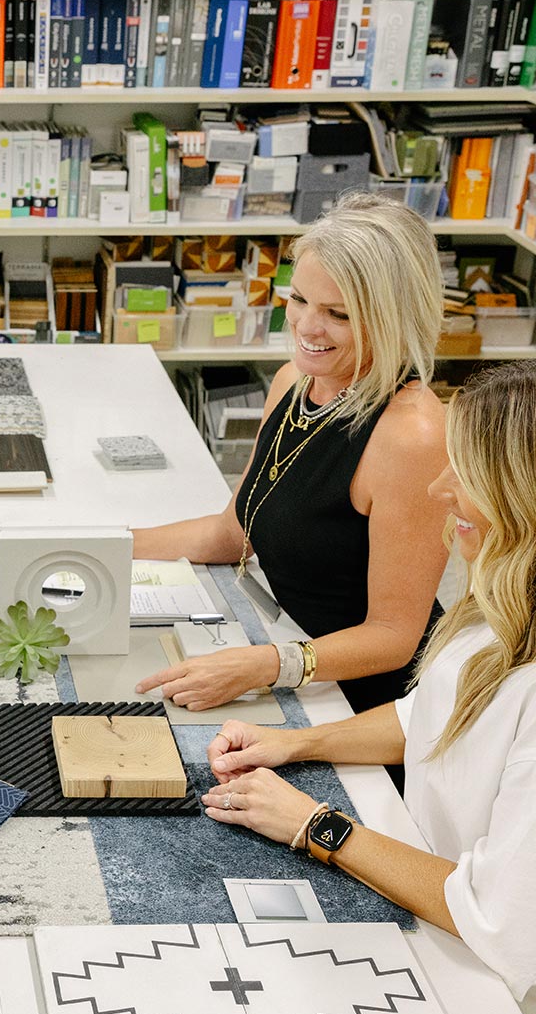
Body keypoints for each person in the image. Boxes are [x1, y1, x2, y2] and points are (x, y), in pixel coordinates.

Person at [198, 357, 536, 1014]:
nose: (438, 488)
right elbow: (430, 719)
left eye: (470, 472)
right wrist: (295, 744)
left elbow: (500, 919)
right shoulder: (524, 600)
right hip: (429, 939)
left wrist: (315, 826)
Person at [131, 192, 450, 715]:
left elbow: (393, 635)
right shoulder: (294, 382)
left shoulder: (410, 436)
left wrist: (263, 665)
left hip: (369, 700)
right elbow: (231, 534)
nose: (305, 327)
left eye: (338, 314)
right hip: (287, 645)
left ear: (395, 318)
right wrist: (102, 547)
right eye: (299, 299)